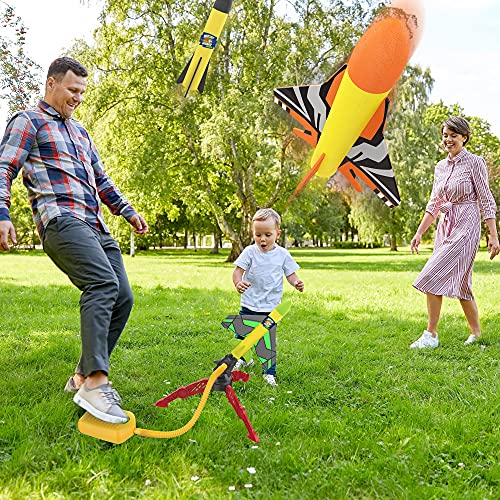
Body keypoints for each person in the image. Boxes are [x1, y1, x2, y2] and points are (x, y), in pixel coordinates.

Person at [0, 57, 148, 423]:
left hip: (95, 224)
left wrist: (126, 210)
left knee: (123, 297)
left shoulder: (81, 132)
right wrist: (2, 214)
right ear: (51, 84)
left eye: (82, 91)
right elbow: (4, 168)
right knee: (101, 282)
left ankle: (81, 377)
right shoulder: (28, 121)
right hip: (60, 220)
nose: (78, 97)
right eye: (72, 89)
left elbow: (101, 178)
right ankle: (96, 384)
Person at [409, 116, 499, 348]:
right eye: (445, 135)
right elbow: (434, 202)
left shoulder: (475, 162)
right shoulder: (440, 167)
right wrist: (419, 233)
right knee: (461, 282)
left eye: (453, 135)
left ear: (464, 137)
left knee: (431, 274)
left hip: (467, 225)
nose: (448, 140)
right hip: (445, 225)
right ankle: (477, 333)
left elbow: (486, 199)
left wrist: (492, 234)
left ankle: (431, 335)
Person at [232, 208, 304, 386]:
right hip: (249, 304)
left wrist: (296, 283)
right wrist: (238, 283)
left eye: (267, 234)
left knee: (267, 342)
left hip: (270, 308)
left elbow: (291, 274)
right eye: (258, 234)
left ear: (277, 234)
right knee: (245, 336)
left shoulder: (282, 255)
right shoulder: (249, 252)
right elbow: (237, 271)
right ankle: (243, 359)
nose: (262, 239)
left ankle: (268, 373)